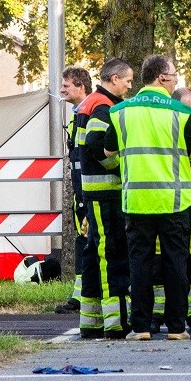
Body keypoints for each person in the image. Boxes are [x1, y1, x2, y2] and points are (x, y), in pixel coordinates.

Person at [103, 55, 191, 342]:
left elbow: (108, 153)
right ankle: (176, 328)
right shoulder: (180, 111)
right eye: (174, 76)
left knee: (140, 265)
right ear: (162, 78)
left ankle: (141, 328)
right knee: (176, 264)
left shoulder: (121, 111)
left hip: (136, 201)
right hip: (174, 201)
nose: (176, 80)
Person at [74, 58, 134, 337]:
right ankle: (115, 322)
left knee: (94, 254)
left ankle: (91, 320)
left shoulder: (91, 103)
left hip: (95, 191)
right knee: (111, 253)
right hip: (106, 192)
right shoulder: (103, 106)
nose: (129, 86)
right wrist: (124, 164)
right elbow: (98, 150)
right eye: (127, 80)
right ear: (113, 79)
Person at [149, 87, 191, 334]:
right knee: (158, 262)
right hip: (166, 203)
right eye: (187, 109)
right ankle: (157, 314)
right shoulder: (167, 128)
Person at [59, 66, 92, 313]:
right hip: (81, 189)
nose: (61, 90)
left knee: (88, 240)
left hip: (90, 190)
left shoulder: (90, 112)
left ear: (81, 86)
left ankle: (85, 296)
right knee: (83, 240)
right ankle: (81, 295)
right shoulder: (75, 113)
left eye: (66, 86)